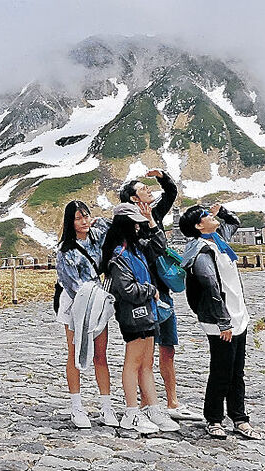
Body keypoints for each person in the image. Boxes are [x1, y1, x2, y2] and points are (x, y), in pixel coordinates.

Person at [119, 170, 200, 422]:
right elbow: (155, 250)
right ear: (133, 198)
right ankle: (147, 403)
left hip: (163, 290)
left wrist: (162, 176)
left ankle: (172, 401)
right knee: (147, 352)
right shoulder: (131, 222)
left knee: (169, 347)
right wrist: (150, 225)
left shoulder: (155, 213)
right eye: (143, 189)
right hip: (146, 294)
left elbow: (171, 193)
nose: (148, 191)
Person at [180, 204, 263, 440]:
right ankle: (214, 419)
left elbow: (234, 222)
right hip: (221, 319)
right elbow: (210, 286)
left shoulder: (218, 239)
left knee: (237, 370)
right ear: (198, 226)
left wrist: (221, 210)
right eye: (206, 216)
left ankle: (239, 418)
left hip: (238, 315)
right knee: (221, 370)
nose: (211, 217)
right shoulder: (202, 249)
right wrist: (223, 322)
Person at [102, 203, 179, 434]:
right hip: (133, 314)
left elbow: (159, 247)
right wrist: (150, 291)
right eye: (135, 223)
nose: (138, 227)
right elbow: (126, 289)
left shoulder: (136, 249)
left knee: (146, 364)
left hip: (148, 313)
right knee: (133, 362)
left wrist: (152, 223)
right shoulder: (120, 255)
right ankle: (131, 411)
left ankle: (152, 408)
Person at [55, 201, 117, 429]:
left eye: (86, 216)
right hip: (76, 303)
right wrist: (91, 299)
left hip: (98, 300)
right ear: (70, 222)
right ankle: (76, 406)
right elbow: (71, 283)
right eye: (78, 218)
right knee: (75, 352)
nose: (84, 221)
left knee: (101, 353)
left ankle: (106, 406)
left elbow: (116, 228)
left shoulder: (97, 236)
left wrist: (99, 220)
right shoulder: (65, 249)